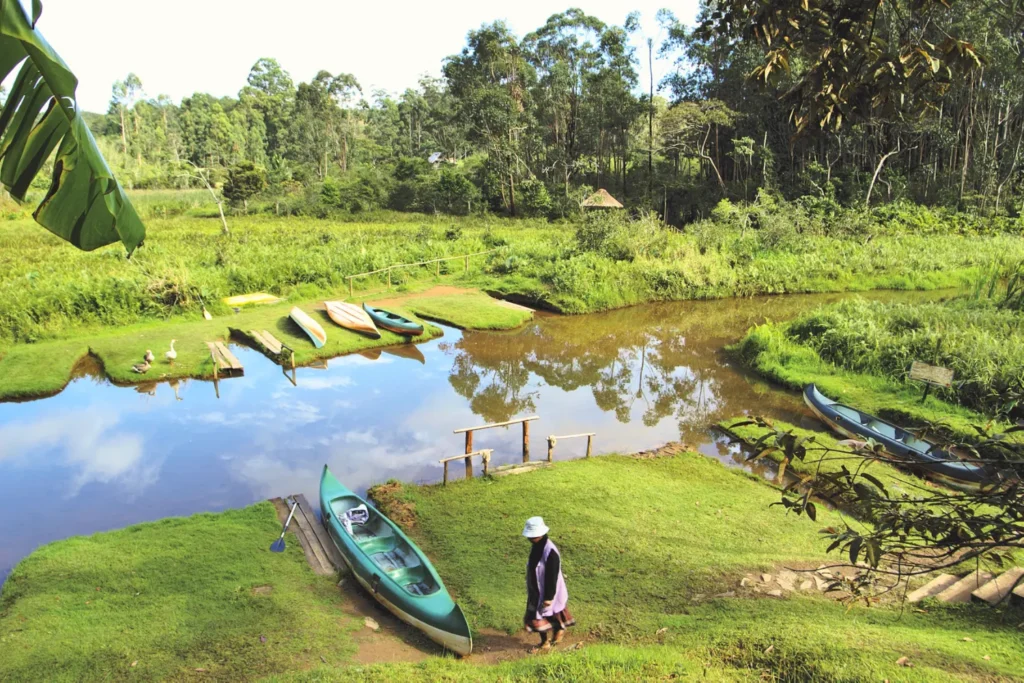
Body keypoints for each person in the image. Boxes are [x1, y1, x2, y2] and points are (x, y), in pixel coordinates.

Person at [522, 516, 574, 652]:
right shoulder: (537, 547)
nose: (530, 538)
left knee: (544, 615)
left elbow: (552, 576)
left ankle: (546, 642)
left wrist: (548, 597)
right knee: (546, 614)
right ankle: (557, 632)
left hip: (547, 591)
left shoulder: (550, 551)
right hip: (536, 590)